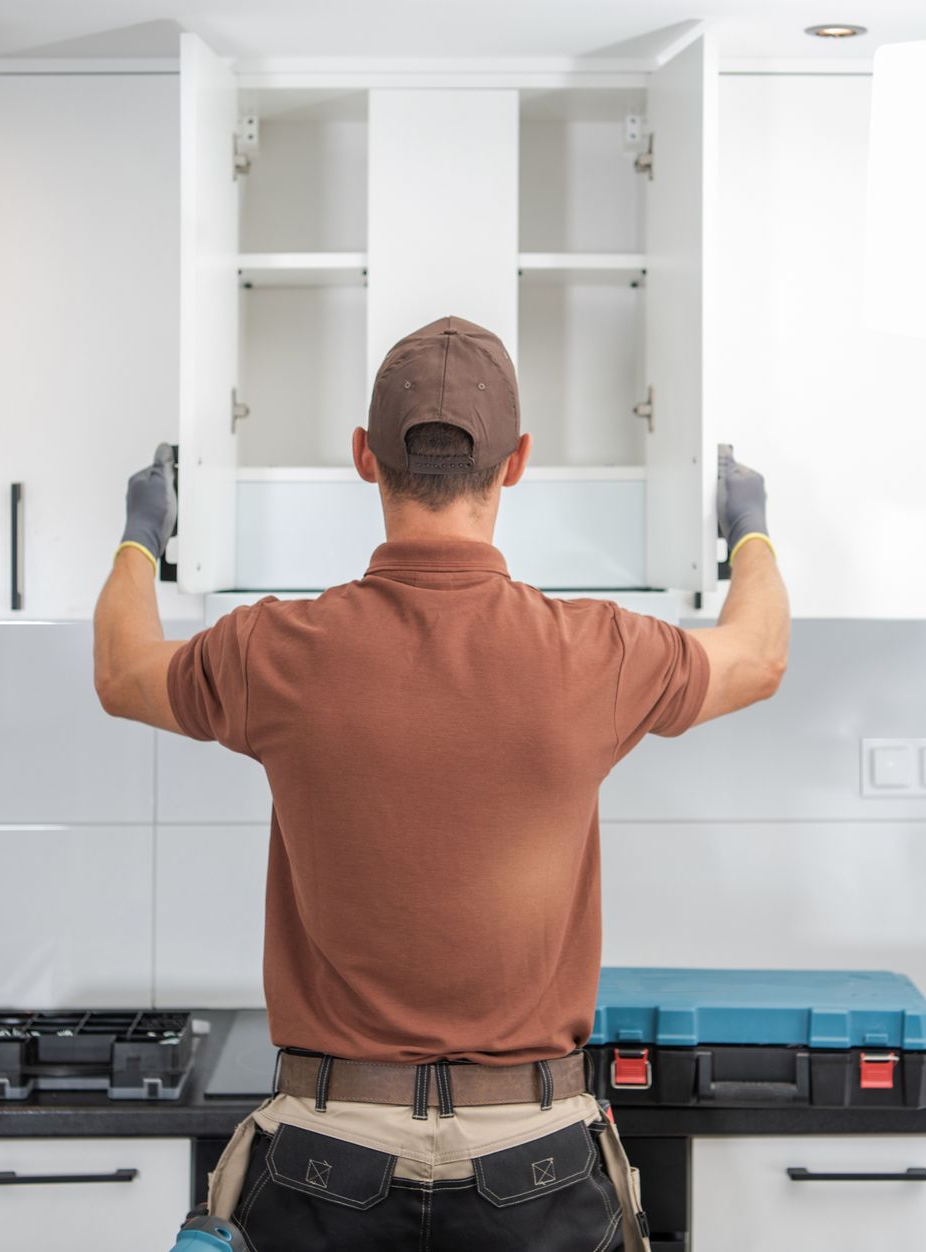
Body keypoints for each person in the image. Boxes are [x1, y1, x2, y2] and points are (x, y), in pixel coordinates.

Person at [94, 315, 789, 1252]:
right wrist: (748, 529)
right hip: (535, 1163)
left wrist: (143, 535)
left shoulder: (273, 651)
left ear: (362, 457)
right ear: (518, 463)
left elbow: (122, 669)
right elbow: (759, 655)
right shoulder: (597, 653)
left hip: (325, 1161)